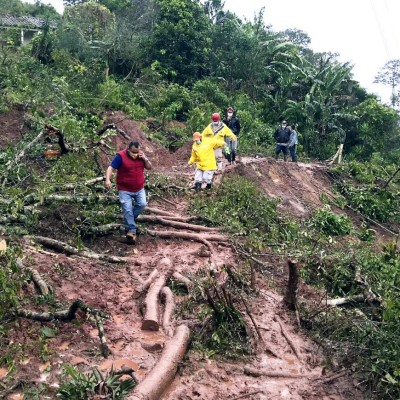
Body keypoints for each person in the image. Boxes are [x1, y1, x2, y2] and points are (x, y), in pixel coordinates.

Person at [105, 141, 152, 243]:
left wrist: (145, 158)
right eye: (133, 152)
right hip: (124, 189)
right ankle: (131, 230)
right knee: (127, 208)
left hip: (139, 188)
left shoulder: (141, 156)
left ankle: (128, 220)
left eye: (137, 151)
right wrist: (107, 180)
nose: (135, 154)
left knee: (142, 204)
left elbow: (149, 167)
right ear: (129, 149)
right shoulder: (120, 156)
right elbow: (111, 168)